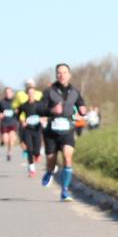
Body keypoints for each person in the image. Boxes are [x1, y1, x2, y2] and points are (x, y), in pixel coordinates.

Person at [39, 63, 88, 202]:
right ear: (56, 75)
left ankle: (65, 191)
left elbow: (81, 104)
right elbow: (39, 109)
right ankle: (49, 171)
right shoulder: (49, 91)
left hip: (67, 130)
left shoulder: (75, 91)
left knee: (67, 157)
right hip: (51, 132)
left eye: (64, 72)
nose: (62, 75)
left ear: (69, 75)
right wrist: (51, 111)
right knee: (51, 161)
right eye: (59, 73)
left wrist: (83, 109)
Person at [17, 82, 44, 177]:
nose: (31, 94)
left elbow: (45, 114)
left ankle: (37, 155)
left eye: (33, 92)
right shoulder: (24, 105)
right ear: (27, 94)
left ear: (35, 93)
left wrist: (43, 118)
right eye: (29, 93)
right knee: (29, 150)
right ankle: (31, 170)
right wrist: (22, 121)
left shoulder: (40, 104)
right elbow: (17, 115)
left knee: (36, 150)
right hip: (27, 129)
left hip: (37, 128)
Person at [0, 87, 19, 161]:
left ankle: (9, 153)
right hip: (4, 123)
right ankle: (4, 142)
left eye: (9, 92)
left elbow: (20, 111)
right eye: (6, 92)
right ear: (5, 93)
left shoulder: (15, 102)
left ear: (12, 93)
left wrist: (17, 111)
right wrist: (0, 115)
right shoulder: (1, 102)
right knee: (6, 140)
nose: (8, 94)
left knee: (11, 138)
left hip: (13, 122)